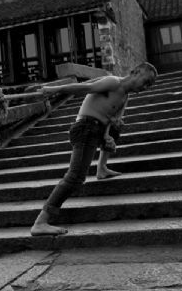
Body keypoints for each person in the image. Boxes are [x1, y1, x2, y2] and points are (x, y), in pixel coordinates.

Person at [30, 62, 158, 236]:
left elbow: (111, 120)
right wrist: (55, 89)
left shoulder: (125, 97)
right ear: (136, 72)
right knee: (75, 176)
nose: (146, 87)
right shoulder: (113, 82)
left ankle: (101, 168)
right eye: (146, 81)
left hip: (97, 130)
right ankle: (41, 221)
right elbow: (85, 88)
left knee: (117, 127)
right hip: (85, 128)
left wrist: (108, 137)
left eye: (150, 85)